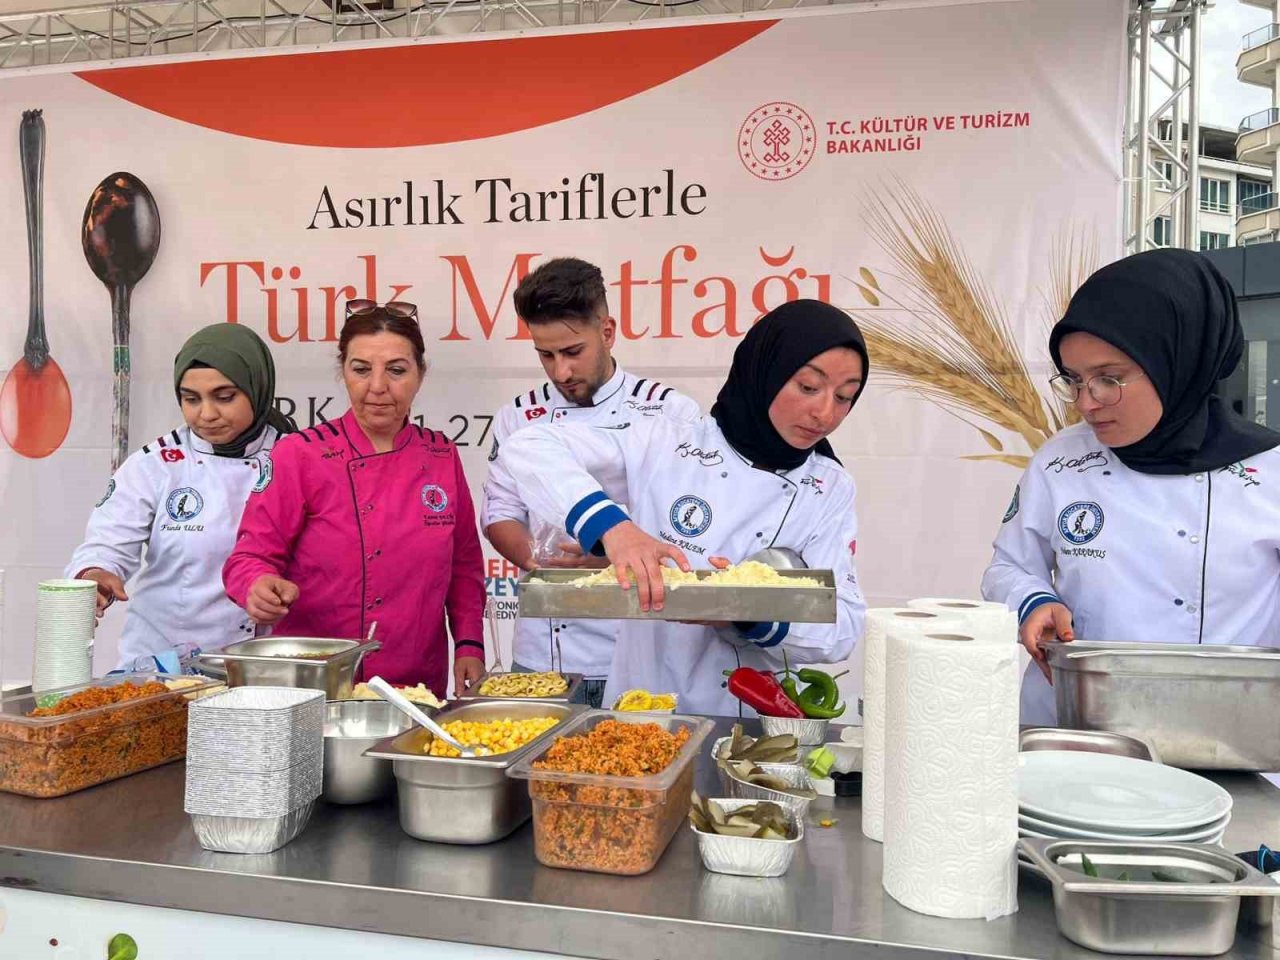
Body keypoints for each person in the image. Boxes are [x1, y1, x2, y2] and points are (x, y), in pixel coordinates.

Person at [496, 299, 867, 714]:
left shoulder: (828, 486)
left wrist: (747, 614)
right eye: (809, 388)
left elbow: (844, 627)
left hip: (754, 719)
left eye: (845, 396)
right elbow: (529, 447)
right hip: (644, 705)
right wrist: (615, 530)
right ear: (765, 371)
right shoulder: (667, 441)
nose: (825, 413)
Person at [981, 249, 1280, 725]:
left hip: (1227, 745)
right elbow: (1010, 567)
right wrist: (1033, 603)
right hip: (1078, 735)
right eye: (1075, 380)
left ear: (1180, 360)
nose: (1087, 402)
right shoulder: (1062, 460)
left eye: (1109, 379)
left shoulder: (1268, 473)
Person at [223, 301, 486, 697]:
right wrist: (256, 586)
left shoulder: (440, 455)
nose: (377, 387)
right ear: (343, 371)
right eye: (361, 369)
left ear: (420, 374)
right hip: (314, 684)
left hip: (415, 685)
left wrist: (469, 642)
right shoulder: (301, 454)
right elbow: (248, 557)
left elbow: (463, 566)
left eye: (396, 370)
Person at [481, 258, 700, 708]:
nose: (561, 372)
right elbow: (499, 514)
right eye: (546, 355)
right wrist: (540, 559)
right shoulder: (517, 416)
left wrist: (611, 551)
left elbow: (692, 524)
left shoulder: (671, 413)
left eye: (572, 351)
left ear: (607, 331)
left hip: (635, 652)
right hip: (542, 654)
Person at [67, 323, 294, 670]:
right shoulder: (156, 464)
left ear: (257, 388)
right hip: (164, 665)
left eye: (225, 396)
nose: (206, 414)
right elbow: (108, 541)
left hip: (265, 666)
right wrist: (95, 573)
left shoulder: (295, 458)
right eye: (191, 399)